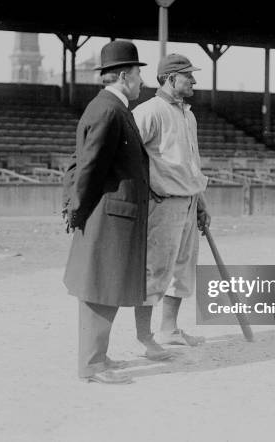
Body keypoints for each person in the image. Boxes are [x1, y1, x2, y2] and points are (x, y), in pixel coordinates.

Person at [62, 41, 149, 385]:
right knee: (101, 288)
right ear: (125, 76)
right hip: (107, 216)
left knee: (102, 287)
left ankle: (97, 356)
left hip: (107, 214)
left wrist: (74, 206)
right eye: (139, 73)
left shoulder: (110, 107)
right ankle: (92, 364)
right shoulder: (110, 110)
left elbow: (78, 162)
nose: (142, 80)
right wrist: (77, 209)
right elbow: (87, 167)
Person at [132, 53, 211, 352]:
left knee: (183, 269)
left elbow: (192, 165)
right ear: (169, 78)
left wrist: (201, 202)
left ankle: (169, 330)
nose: (193, 81)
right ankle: (145, 337)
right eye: (187, 75)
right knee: (156, 270)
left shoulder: (188, 115)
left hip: (189, 201)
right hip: (163, 203)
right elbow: (129, 158)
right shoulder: (148, 111)